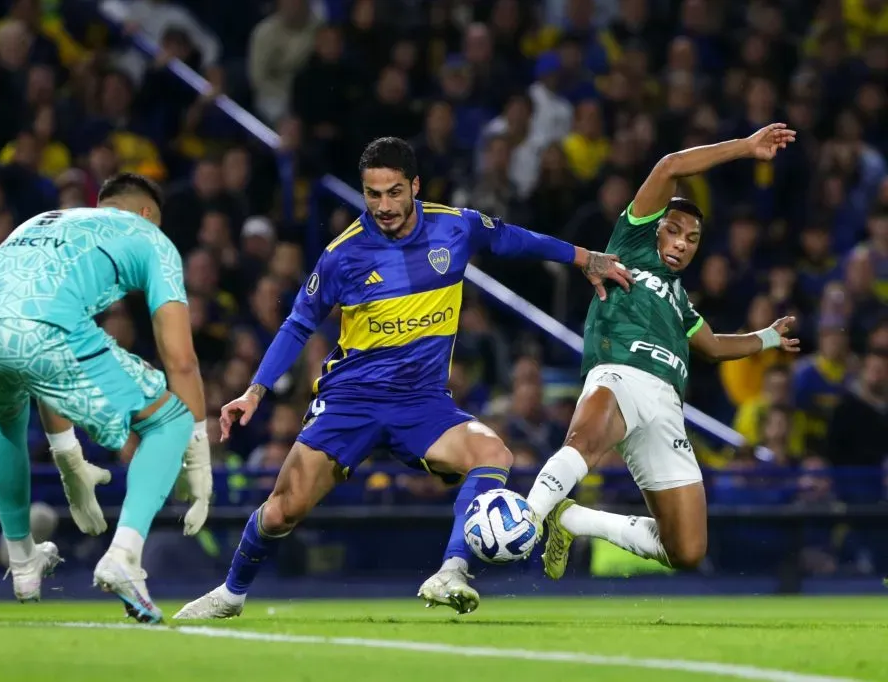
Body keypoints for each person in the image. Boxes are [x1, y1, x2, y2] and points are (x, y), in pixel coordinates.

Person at [174, 136, 633, 619]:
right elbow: (299, 323)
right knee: (283, 510)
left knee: (492, 452)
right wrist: (255, 390)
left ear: (415, 186)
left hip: (422, 402)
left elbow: (514, 238)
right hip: (352, 399)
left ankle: (452, 570)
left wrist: (585, 258)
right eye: (373, 194)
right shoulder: (342, 255)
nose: (384, 206)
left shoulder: (455, 227)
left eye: (394, 192)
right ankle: (231, 594)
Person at [523, 125, 800, 579]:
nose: (680, 244)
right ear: (655, 229)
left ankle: (571, 518)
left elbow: (711, 345)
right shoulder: (629, 245)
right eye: (673, 232)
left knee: (686, 550)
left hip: (668, 410)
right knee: (584, 444)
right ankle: (525, 520)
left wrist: (767, 337)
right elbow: (670, 164)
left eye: (691, 240)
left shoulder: (681, 303)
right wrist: (746, 147)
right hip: (620, 374)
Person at [0, 173, 213, 623]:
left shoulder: (40, 223)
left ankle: (23, 559)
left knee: (6, 417)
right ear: (147, 213)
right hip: (41, 331)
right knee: (169, 420)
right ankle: (124, 555)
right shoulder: (149, 236)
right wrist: (197, 453)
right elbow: (180, 360)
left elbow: (39, 357)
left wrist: (68, 456)